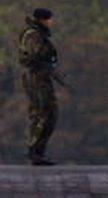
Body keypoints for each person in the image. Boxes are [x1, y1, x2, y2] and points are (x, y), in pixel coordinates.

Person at [18, 8, 61, 166]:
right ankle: (35, 151)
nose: (51, 22)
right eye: (49, 19)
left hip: (40, 76)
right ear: (42, 19)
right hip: (36, 77)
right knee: (44, 112)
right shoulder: (33, 34)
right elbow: (33, 56)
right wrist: (46, 59)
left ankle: (38, 151)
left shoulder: (39, 34)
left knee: (48, 113)